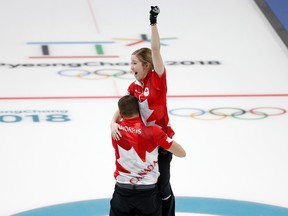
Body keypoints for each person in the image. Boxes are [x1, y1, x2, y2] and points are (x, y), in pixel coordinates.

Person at [111, 6, 177, 216]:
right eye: (130, 63)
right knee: (145, 188)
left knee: (163, 188)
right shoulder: (133, 88)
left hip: (161, 142)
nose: (131, 67)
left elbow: (156, 50)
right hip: (144, 142)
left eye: (134, 63)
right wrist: (112, 122)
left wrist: (153, 23)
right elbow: (122, 109)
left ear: (147, 65)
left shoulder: (157, 81)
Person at [110, 95, 186, 216]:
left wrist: (112, 122)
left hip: (122, 191)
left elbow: (117, 117)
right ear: (140, 110)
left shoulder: (116, 130)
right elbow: (182, 153)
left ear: (121, 113)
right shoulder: (154, 132)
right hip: (147, 193)